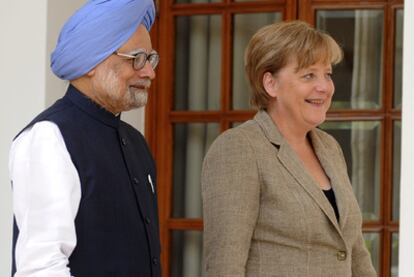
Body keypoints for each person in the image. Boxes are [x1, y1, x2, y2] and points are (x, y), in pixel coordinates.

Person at [201, 21, 376, 276]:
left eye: (327, 74)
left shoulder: (329, 148)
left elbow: (355, 253)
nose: (325, 87)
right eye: (309, 75)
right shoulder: (239, 148)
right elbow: (225, 266)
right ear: (270, 84)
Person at [9, 0, 161, 276]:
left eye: (151, 59)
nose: (149, 72)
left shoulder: (135, 143)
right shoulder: (49, 138)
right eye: (137, 58)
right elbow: (42, 266)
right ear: (92, 62)